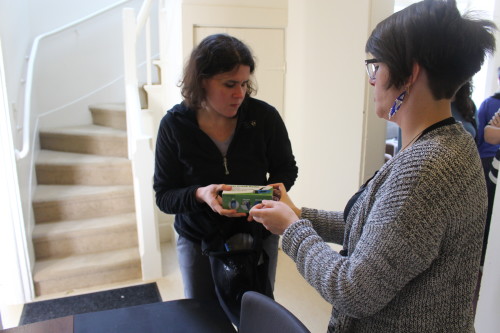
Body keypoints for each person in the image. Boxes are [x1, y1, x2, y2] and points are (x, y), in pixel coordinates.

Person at [249, 1, 496, 332]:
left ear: (410, 72)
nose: (371, 80)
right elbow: (380, 233)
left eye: (374, 66)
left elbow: (353, 290)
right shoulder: (451, 142)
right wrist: (299, 213)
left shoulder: (427, 167)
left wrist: (292, 229)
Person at [153, 33, 298, 319]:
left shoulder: (264, 117)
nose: (240, 94)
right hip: (198, 240)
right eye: (229, 84)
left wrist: (267, 198)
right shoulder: (174, 126)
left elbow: (286, 168)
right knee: (203, 318)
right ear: (202, 81)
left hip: (257, 231)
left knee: (256, 315)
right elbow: (164, 195)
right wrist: (199, 194)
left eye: (244, 83)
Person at [477, 66, 500, 180]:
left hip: (485, 158)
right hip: (491, 159)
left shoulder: (487, 103)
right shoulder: (489, 103)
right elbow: (487, 133)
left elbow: (480, 135)